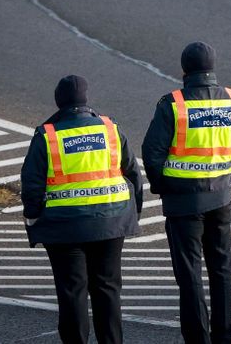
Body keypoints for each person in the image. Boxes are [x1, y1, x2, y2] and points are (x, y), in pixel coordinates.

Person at [143, 42, 231, 344]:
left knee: (190, 274)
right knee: (221, 269)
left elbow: (151, 154)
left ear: (184, 70)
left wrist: (164, 186)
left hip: (183, 203)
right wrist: (224, 173)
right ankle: (224, 337)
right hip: (220, 198)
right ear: (212, 68)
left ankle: (197, 339)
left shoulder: (173, 104)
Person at [21, 75, 143, 344]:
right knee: (108, 289)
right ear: (86, 100)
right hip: (111, 223)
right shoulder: (110, 129)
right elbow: (133, 174)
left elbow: (32, 185)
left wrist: (32, 217)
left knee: (72, 292)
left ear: (59, 102)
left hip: (64, 228)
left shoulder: (48, 135)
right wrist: (133, 212)